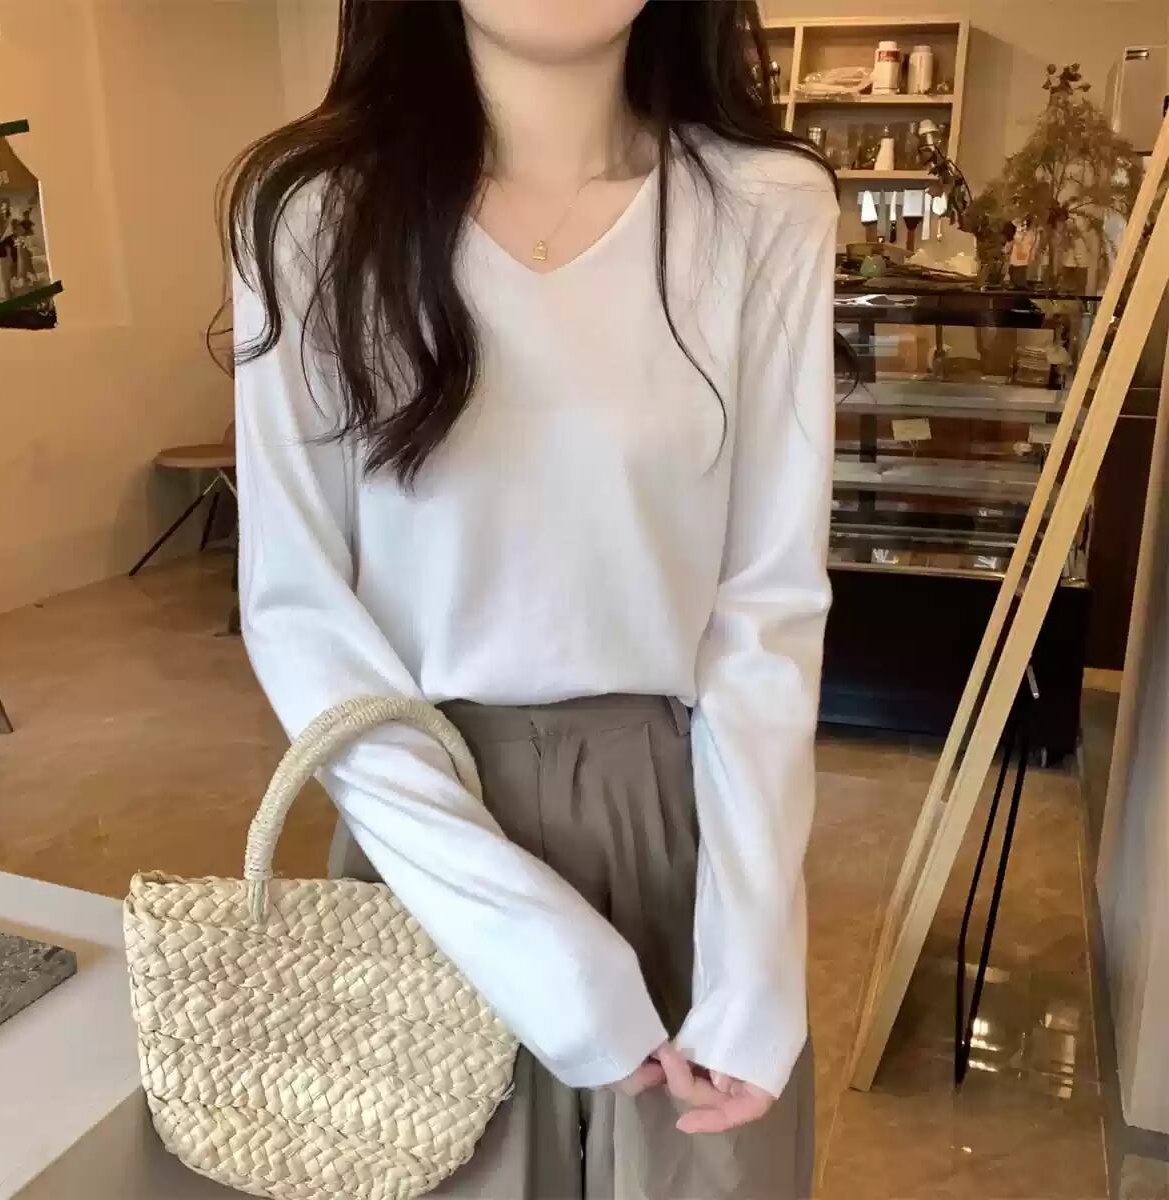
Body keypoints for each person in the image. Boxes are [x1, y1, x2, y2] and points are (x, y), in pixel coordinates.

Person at [230, 1, 837, 1196]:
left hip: (680, 819)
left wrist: (755, 958)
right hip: (427, 824)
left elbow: (767, 610)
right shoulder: (312, 213)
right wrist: (537, 951)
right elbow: (300, 610)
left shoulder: (765, 205)